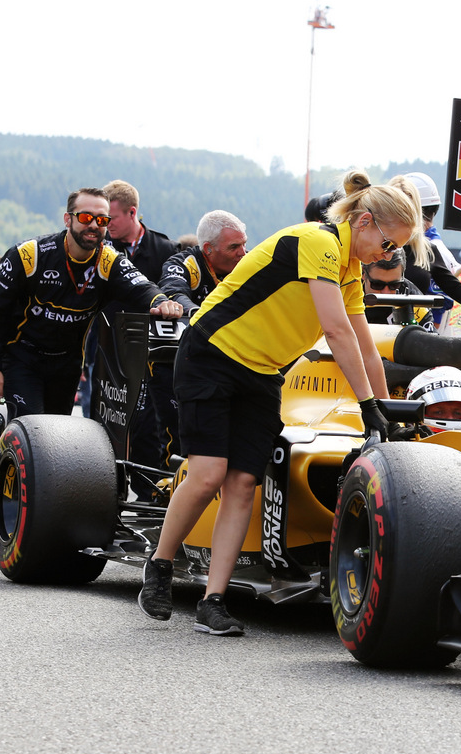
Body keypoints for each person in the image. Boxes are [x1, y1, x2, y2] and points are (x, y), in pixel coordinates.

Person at [137, 169, 422, 636]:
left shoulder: (350, 270)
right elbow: (335, 332)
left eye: (395, 251)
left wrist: (386, 412)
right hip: (212, 352)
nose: (388, 255)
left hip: (262, 371)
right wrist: (367, 404)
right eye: (389, 245)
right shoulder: (319, 242)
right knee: (208, 471)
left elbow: (366, 346)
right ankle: (161, 564)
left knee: (244, 482)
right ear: (366, 221)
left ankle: (214, 599)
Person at [0, 188, 185, 417]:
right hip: (22, 358)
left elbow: (143, 287)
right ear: (68, 219)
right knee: (32, 429)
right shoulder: (29, 255)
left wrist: (163, 302)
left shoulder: (110, 260)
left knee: (56, 439)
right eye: (86, 217)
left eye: (102, 219)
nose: (94, 225)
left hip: (67, 364)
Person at [102, 180, 179, 490]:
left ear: (132, 213)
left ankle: (149, 487)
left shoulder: (164, 249)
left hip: (153, 348)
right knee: (109, 417)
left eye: (111, 219)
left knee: (151, 419)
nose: (105, 226)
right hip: (109, 346)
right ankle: (109, 486)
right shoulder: (102, 249)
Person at [154, 211, 249, 462]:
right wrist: (201, 316)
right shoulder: (184, 264)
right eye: (234, 247)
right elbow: (174, 292)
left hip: (230, 364)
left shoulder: (248, 264)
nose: (243, 252)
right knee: (174, 431)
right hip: (178, 361)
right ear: (208, 249)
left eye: (244, 243)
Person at [391, 172, 461, 321]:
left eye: (409, 209)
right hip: (374, 334)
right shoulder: (374, 247)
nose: (404, 216)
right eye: (398, 209)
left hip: (412, 337)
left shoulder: (428, 250)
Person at [361, 249, 433, 328]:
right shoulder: (347, 290)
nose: (386, 292)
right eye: (377, 284)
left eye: (394, 285)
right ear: (363, 273)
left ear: (402, 276)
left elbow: (431, 338)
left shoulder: (412, 297)